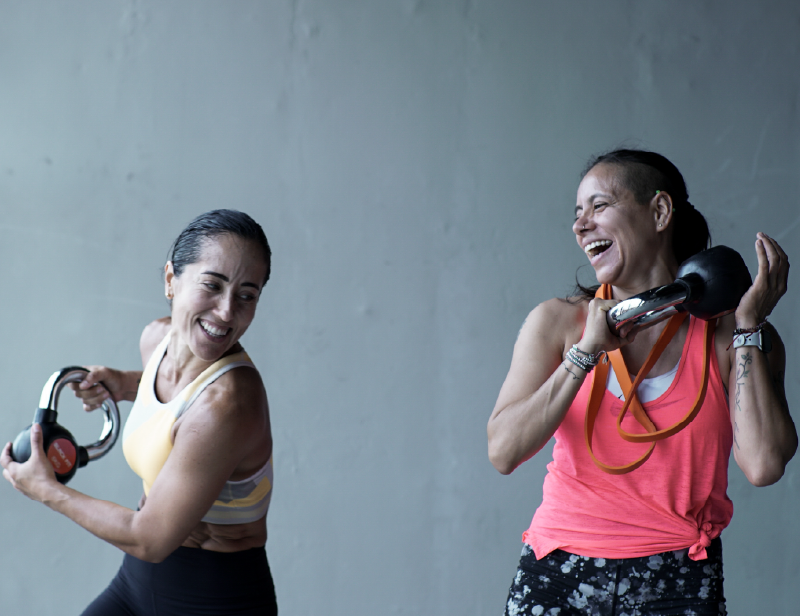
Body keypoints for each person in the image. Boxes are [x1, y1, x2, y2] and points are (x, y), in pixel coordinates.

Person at [487, 149, 795, 616]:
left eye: (599, 206)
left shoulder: (734, 337)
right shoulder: (557, 323)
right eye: (577, 214)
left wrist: (749, 325)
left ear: (659, 212)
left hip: (678, 578)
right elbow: (503, 452)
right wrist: (585, 353)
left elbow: (764, 465)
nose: (581, 225)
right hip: (557, 572)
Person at [2, 209, 278, 615]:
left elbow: (150, 538)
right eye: (212, 285)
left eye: (246, 295)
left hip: (215, 597)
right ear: (171, 280)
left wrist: (46, 490)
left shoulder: (229, 406)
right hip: (137, 581)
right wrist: (127, 382)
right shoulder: (157, 340)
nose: (225, 312)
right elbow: (177, 397)